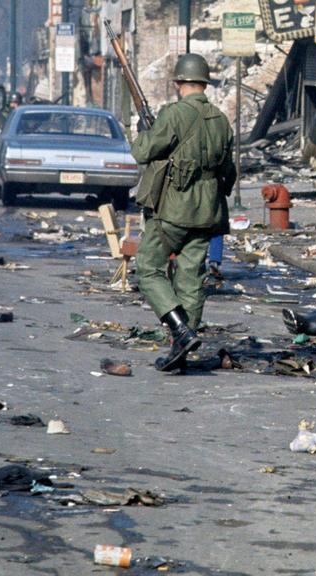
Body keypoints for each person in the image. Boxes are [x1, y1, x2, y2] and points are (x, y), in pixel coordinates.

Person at [132, 53, 237, 372]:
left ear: (179, 83)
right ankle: (182, 350)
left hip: (174, 210)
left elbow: (143, 152)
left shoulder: (174, 114)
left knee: (148, 268)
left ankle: (180, 329)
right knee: (191, 277)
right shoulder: (220, 118)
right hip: (209, 210)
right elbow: (228, 171)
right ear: (204, 83)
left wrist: (143, 130)